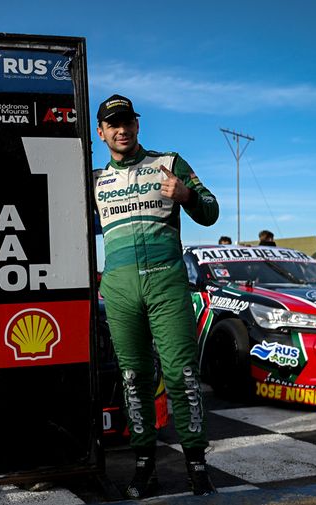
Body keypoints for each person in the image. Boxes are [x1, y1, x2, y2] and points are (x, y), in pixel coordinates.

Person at [93, 94, 218, 498]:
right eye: (113, 124)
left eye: (127, 121)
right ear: (101, 132)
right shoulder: (94, 179)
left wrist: (187, 196)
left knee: (182, 374)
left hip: (166, 281)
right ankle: (144, 465)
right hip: (119, 287)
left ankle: (197, 465)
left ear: (137, 125)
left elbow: (211, 209)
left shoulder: (169, 162)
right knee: (133, 378)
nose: (122, 129)